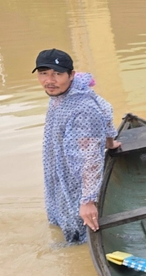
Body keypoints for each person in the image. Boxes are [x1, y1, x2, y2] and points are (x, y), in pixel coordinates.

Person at [36, 48, 119, 244]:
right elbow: (105, 108)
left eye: (57, 74)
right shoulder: (62, 92)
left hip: (74, 173)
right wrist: (109, 141)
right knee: (62, 207)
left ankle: (77, 246)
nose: (50, 80)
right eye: (43, 74)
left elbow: (90, 159)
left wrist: (88, 201)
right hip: (59, 162)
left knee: (78, 223)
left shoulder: (82, 109)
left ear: (71, 75)